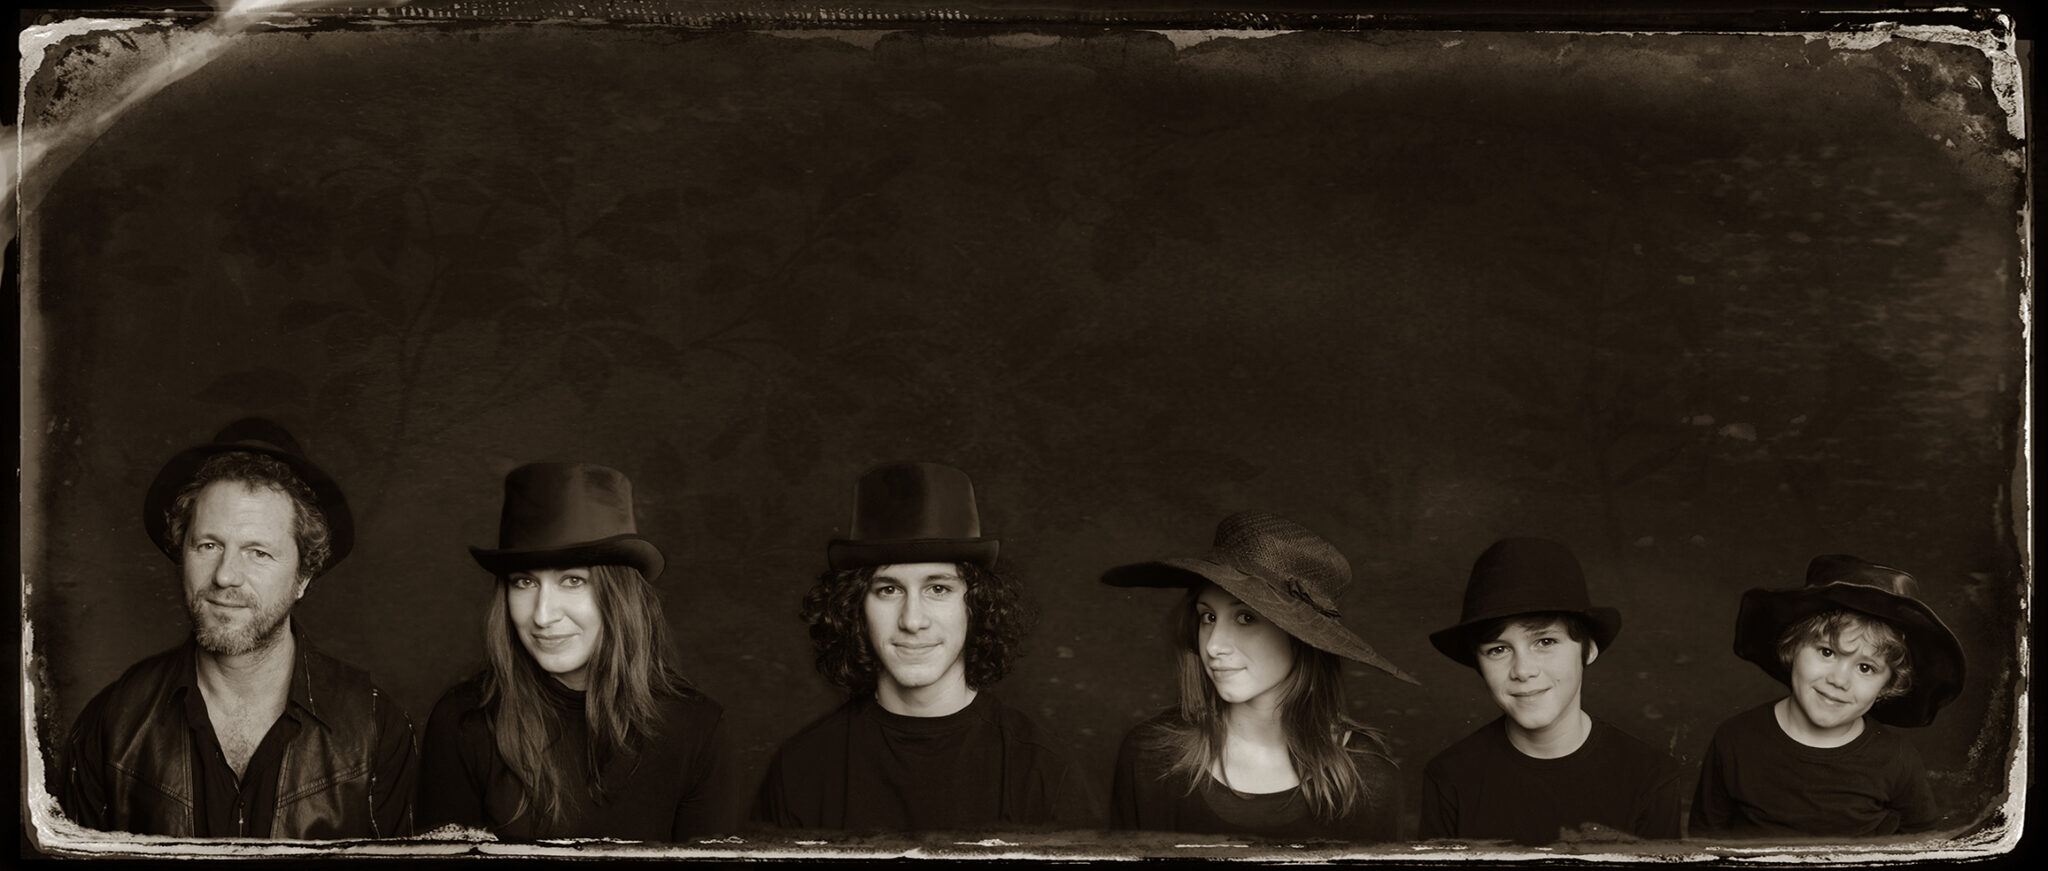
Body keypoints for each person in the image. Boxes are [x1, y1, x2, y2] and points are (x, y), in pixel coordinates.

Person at [60, 418, 417, 838]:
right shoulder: (113, 722)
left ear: (303, 577)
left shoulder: (375, 727)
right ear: (182, 554)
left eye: (258, 552)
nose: (225, 575)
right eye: (208, 545)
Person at [752, 461, 1091, 831]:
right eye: (889, 589)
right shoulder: (802, 768)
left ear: (976, 603)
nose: (912, 620)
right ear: (857, 607)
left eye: (938, 588)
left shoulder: (1043, 770)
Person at [419, 462, 733, 840]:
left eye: (572, 580)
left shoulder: (697, 729)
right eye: (524, 582)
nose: (543, 615)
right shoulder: (463, 722)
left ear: (619, 595)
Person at [1101, 512, 1418, 842]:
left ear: (1301, 637)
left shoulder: (1367, 780)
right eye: (1208, 617)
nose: (1213, 645)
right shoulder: (1150, 757)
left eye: (1245, 618)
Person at [1419, 537, 1682, 844]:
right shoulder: (1450, 778)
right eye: (1498, 649)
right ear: (1479, 663)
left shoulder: (1651, 776)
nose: (1523, 670)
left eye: (1545, 642)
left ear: (1588, 649)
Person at [1690, 554, 1965, 838]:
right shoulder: (1735, 739)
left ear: (1887, 686)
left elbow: (1921, 841)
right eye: (1827, 652)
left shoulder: (1897, 760)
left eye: (1866, 668)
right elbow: (1705, 837)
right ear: (1791, 647)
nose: (1838, 680)